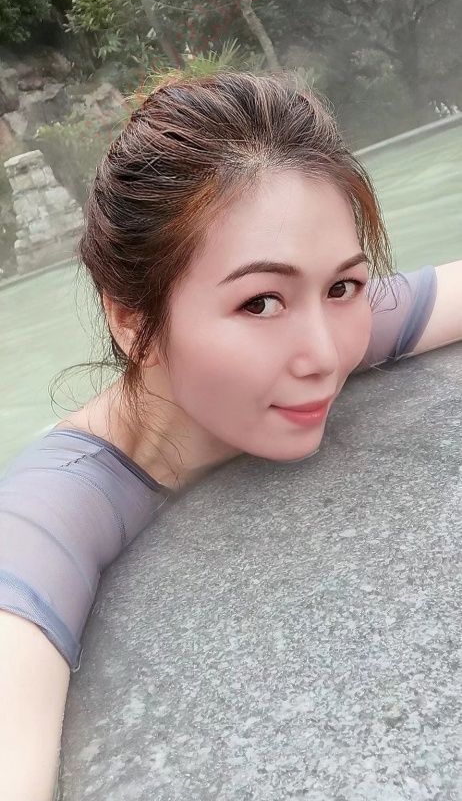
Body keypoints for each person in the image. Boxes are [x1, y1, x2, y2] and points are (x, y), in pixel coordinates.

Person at [0, 71, 460, 801]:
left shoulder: (334, 331)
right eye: (262, 302)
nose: (325, 355)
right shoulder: (55, 506)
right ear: (131, 322)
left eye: (342, 285)